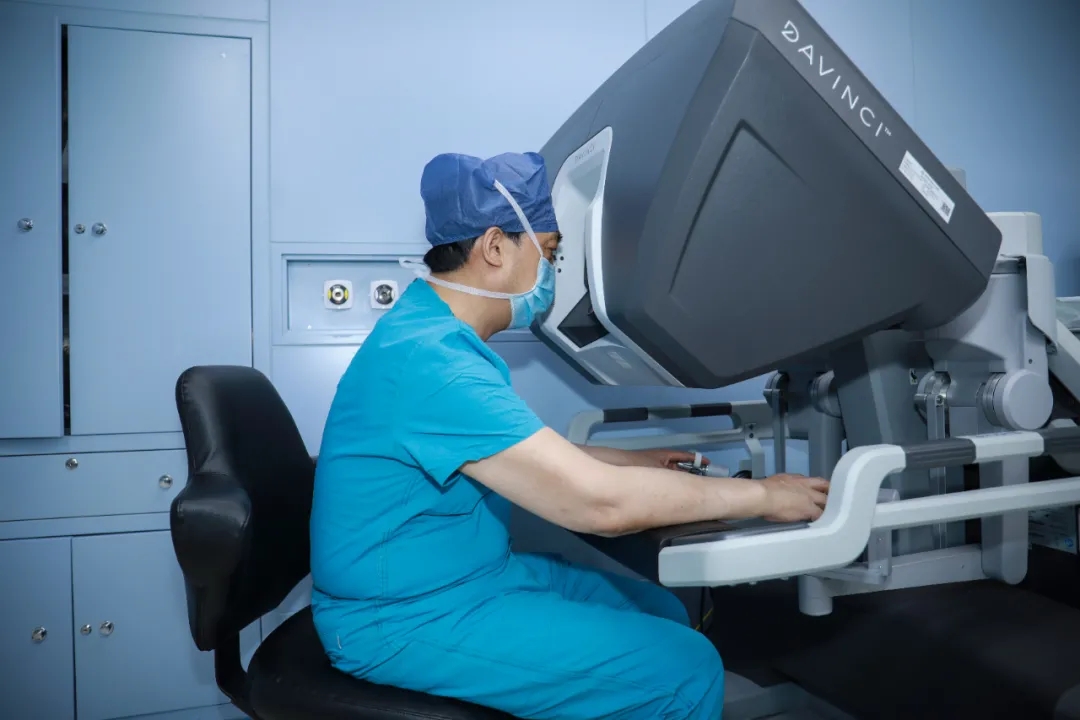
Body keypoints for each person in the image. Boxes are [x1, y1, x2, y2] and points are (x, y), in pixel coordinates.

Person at [309, 151, 829, 720]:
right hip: (402, 616)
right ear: (495, 248)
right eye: (550, 253)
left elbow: (520, 454)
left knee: (663, 611)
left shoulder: (429, 332)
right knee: (686, 669)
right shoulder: (433, 363)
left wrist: (640, 462)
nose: (552, 274)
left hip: (470, 576)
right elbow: (599, 505)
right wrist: (764, 496)